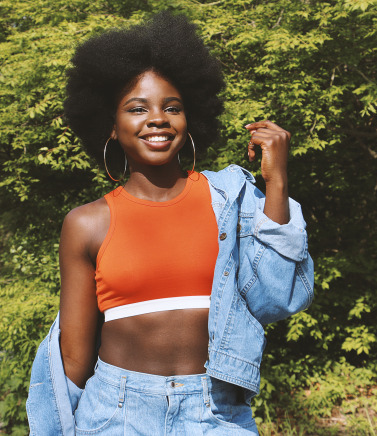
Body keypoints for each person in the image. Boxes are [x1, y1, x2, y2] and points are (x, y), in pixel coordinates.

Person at [26, 11, 314, 435]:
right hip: (116, 413)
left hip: (216, 412)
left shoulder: (230, 202)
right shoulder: (86, 224)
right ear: (111, 127)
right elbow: (73, 357)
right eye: (137, 108)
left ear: (188, 119)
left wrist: (277, 183)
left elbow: (278, 299)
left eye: (172, 107)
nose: (157, 118)